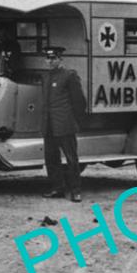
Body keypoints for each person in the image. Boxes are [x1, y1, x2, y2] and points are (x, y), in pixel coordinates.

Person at [41, 44, 86, 203]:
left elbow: (79, 101)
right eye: (48, 58)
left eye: (53, 58)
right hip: (49, 125)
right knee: (51, 159)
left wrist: (76, 122)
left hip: (65, 125)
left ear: (60, 59)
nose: (50, 61)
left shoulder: (69, 75)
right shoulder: (46, 77)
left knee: (71, 159)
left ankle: (76, 191)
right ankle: (57, 188)